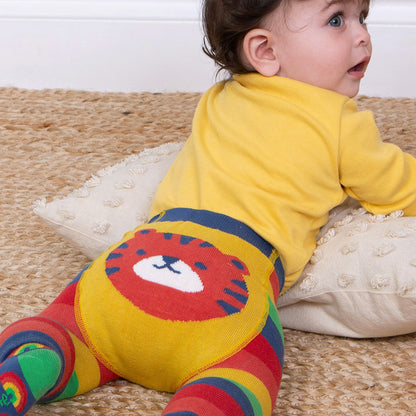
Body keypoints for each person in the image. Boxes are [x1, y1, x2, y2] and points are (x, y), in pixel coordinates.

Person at [1, 0, 416, 415]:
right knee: (242, 377)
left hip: (132, 258)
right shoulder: (342, 123)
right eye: (336, 20)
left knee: (71, 328)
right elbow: (396, 189)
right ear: (265, 51)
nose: (362, 35)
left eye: (362, 17)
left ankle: (34, 363)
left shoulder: (217, 99)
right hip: (228, 286)